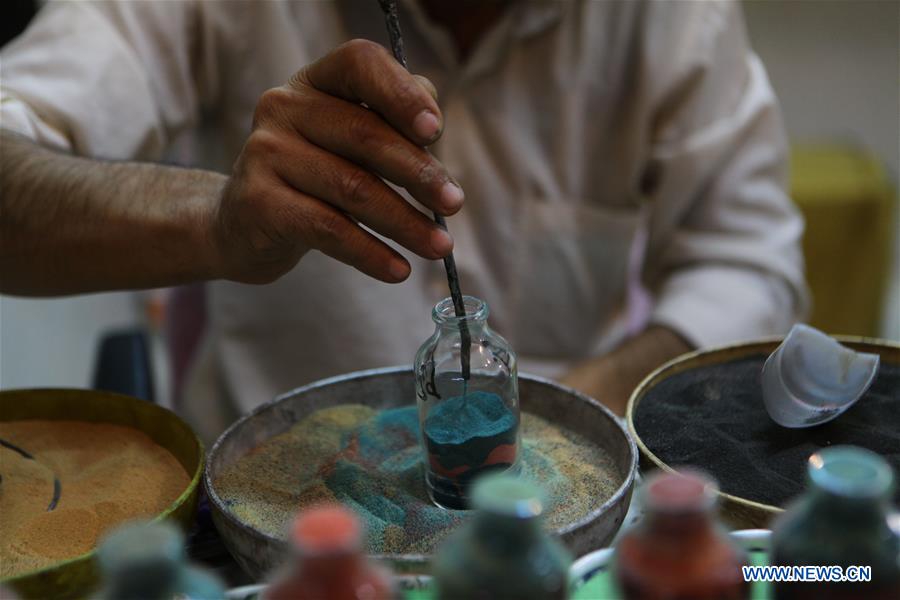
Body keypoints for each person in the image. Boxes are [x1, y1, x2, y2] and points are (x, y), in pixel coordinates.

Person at [0, 0, 807, 441]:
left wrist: (574, 407)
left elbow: (746, 260)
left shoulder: (673, 18)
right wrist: (216, 219)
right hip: (274, 513)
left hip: (549, 507)